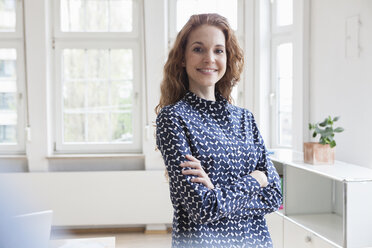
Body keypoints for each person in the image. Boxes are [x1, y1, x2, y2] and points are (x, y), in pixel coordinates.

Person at [155, 13, 282, 248]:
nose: (209, 58)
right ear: (182, 58)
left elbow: (274, 196)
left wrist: (217, 192)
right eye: (198, 49)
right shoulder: (173, 118)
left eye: (218, 50)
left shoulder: (245, 119)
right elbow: (202, 208)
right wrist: (256, 179)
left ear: (227, 56)